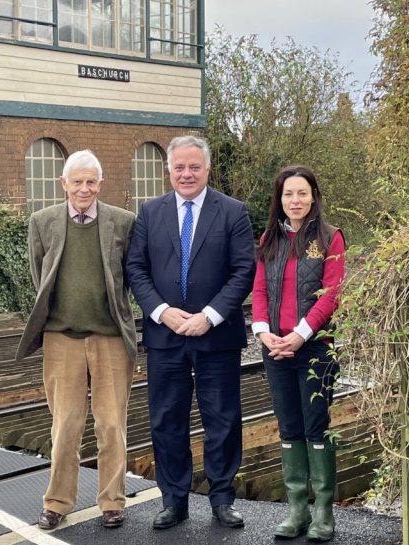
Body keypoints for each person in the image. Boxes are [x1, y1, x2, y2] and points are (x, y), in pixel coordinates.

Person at [126, 135, 256, 530]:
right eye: (179, 167)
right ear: (169, 170)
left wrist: (210, 315)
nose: (186, 174)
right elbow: (136, 268)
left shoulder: (232, 212)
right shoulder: (150, 212)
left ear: (207, 169)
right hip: (166, 336)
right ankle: (174, 500)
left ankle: (221, 499)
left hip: (216, 335)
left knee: (223, 419)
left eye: (194, 167)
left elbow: (243, 271)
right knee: (167, 419)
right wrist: (162, 313)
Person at [14, 150, 137, 530]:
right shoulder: (42, 222)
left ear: (101, 184)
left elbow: (131, 277)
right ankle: (57, 502)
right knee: (65, 426)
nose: (84, 189)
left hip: (110, 338)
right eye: (77, 181)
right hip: (61, 339)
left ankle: (112, 501)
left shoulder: (124, 222)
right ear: (63, 184)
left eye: (91, 182)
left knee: (111, 424)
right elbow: (41, 276)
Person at [251, 165, 345, 542]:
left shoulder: (329, 238)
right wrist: (264, 333)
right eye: (289, 194)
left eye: (302, 193)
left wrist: (301, 335)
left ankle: (323, 511)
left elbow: (332, 294)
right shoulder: (269, 238)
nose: (295, 201)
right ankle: (297, 510)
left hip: (316, 348)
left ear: (313, 196)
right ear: (280, 199)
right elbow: (259, 292)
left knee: (315, 425)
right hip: (276, 349)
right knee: (289, 426)